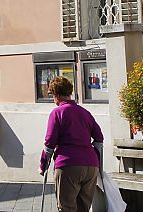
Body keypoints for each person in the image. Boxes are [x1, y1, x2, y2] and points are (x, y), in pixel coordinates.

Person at [39, 76, 103, 212]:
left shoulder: (57, 113)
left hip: (68, 166)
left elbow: (49, 143)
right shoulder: (85, 113)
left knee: (67, 208)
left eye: (52, 96)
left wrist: (43, 165)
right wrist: (97, 161)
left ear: (56, 95)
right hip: (91, 166)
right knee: (83, 208)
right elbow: (99, 139)